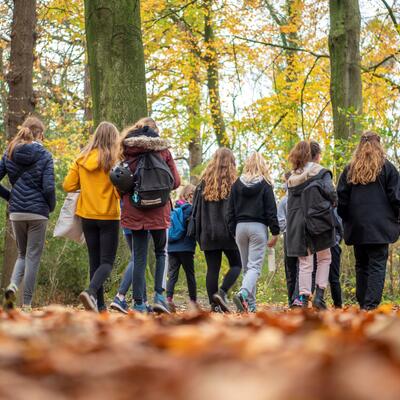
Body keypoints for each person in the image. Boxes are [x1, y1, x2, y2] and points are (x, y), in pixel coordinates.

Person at [120, 117, 180, 313]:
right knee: (161, 252)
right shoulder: (163, 151)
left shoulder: (127, 151)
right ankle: (159, 296)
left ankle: (138, 303)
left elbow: (120, 181)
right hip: (159, 209)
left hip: (135, 209)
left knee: (138, 257)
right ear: (156, 132)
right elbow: (176, 182)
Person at [337, 131, 400, 310]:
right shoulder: (387, 168)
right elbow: (397, 197)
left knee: (361, 265)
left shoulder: (350, 169)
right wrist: (397, 219)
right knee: (377, 265)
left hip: (357, 227)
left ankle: (363, 303)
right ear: (378, 145)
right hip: (381, 227)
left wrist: (347, 217)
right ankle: (370, 307)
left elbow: (341, 198)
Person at [63, 121, 121, 312]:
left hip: (87, 215)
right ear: (113, 139)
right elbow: (120, 191)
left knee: (94, 262)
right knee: (106, 263)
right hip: (109, 216)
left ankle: (101, 306)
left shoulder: (81, 159)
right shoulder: (114, 161)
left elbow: (68, 186)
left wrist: (87, 187)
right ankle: (89, 292)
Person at [0, 117, 56, 311]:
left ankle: (13, 286)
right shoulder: (45, 155)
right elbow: (49, 188)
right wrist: (50, 206)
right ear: (39, 134)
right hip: (38, 213)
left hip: (17, 213)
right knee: (32, 257)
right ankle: (27, 304)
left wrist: (11, 197)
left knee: (22, 255)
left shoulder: (9, 152)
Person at [286, 140, 337, 309]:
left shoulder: (292, 178)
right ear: (316, 155)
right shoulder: (322, 173)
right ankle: (319, 296)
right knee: (325, 258)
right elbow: (331, 193)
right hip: (318, 221)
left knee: (305, 262)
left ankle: (302, 298)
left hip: (297, 224)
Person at [227, 153, 279, 312]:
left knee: (247, 268)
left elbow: (230, 211)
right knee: (254, 267)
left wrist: (233, 231)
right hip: (258, 228)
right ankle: (243, 294)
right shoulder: (266, 184)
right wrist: (275, 232)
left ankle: (250, 305)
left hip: (240, 228)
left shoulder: (236, 184)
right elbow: (271, 211)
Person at [191, 148, 241, 312]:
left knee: (212, 269)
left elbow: (195, 210)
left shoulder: (203, 184)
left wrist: (198, 233)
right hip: (228, 233)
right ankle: (222, 291)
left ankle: (214, 306)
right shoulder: (235, 184)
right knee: (237, 264)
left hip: (208, 233)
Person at [166, 184, 199, 312]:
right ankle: (193, 302)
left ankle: (168, 300)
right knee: (190, 275)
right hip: (186, 248)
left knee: (172, 275)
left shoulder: (175, 208)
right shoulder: (191, 210)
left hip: (172, 247)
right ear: (191, 196)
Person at [109, 226, 151, 314]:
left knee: (138, 262)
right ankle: (120, 296)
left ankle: (145, 302)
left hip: (127, 223)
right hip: (142, 224)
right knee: (137, 259)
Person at [277, 171, 298, 306]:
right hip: (291, 235)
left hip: (290, 236)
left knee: (292, 269)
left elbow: (280, 220)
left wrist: (286, 229)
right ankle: (293, 299)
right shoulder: (285, 200)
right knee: (296, 268)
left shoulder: (285, 200)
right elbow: (280, 220)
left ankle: (294, 299)